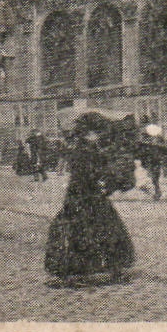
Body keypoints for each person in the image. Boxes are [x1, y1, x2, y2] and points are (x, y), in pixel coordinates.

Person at [45, 114, 135, 287]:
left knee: (101, 231)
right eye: (97, 133)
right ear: (89, 133)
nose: (99, 136)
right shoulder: (84, 151)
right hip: (85, 197)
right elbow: (89, 173)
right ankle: (82, 273)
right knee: (93, 232)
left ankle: (109, 270)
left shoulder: (86, 148)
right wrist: (108, 178)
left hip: (84, 196)